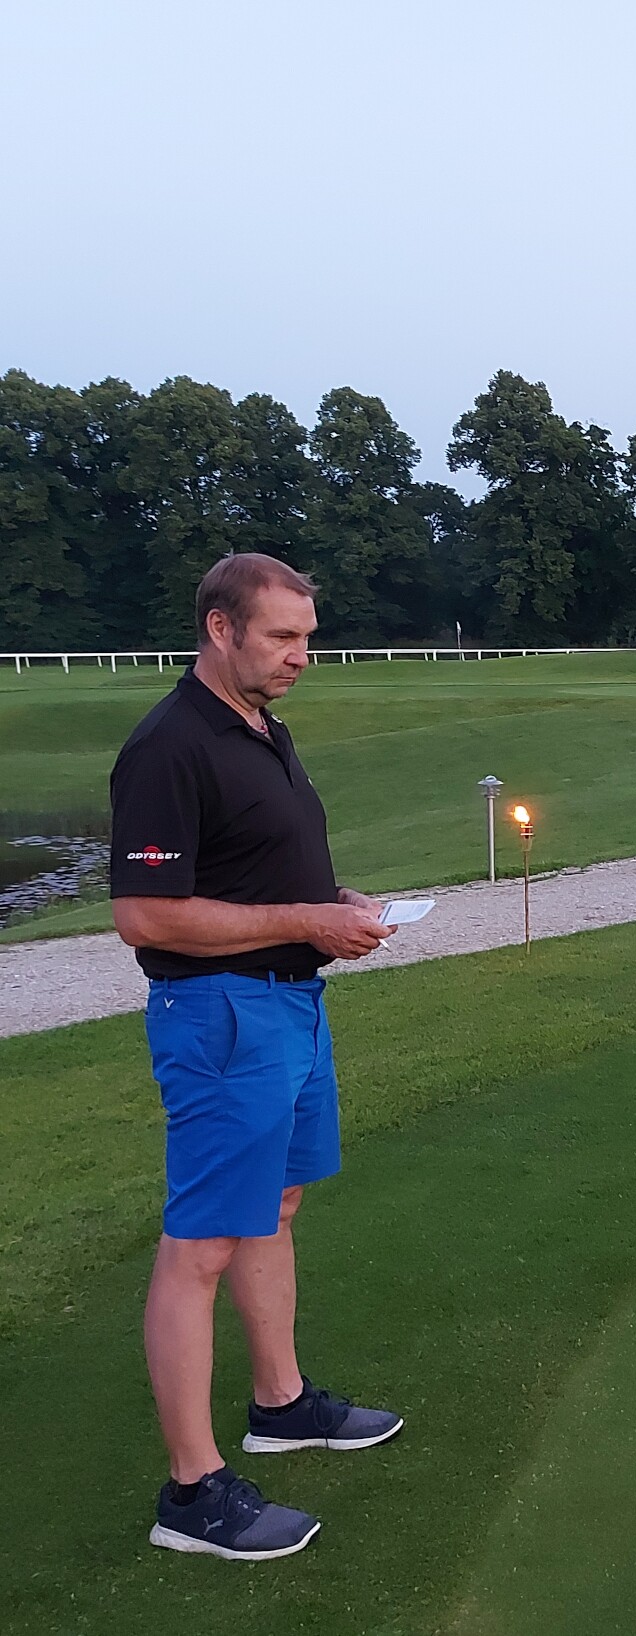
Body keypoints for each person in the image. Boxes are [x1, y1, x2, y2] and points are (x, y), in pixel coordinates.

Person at [110, 553, 402, 1561]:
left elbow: (253, 868)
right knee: (200, 1244)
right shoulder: (170, 745)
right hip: (221, 1016)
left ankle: (280, 1401)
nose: (300, 655)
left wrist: (335, 902)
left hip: (291, 1005)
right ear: (220, 628)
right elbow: (146, 914)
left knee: (275, 1206)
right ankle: (191, 1491)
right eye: (282, 636)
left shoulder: (263, 728)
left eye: (307, 637)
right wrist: (306, 918)